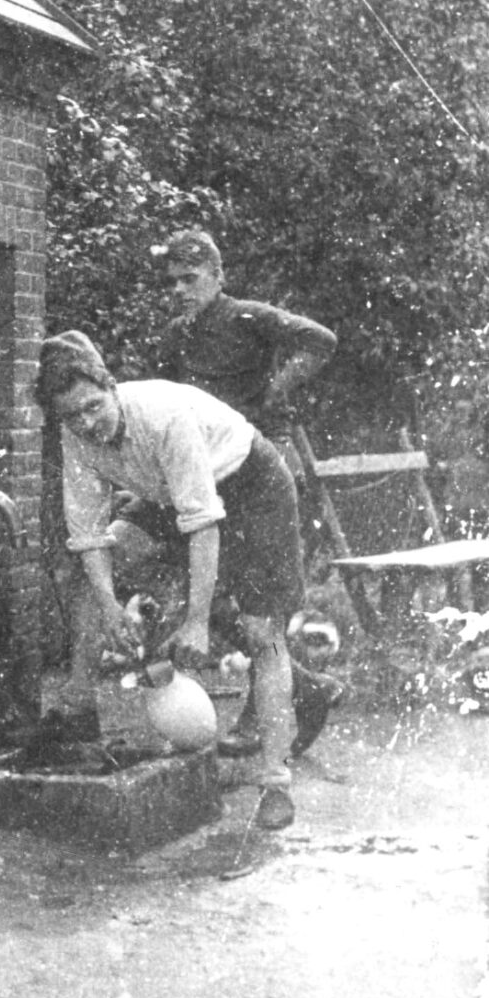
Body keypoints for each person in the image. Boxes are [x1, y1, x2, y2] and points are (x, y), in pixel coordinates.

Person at [36, 330, 305, 831]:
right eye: (72, 416)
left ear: (111, 386)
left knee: (262, 635)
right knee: (98, 566)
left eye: (94, 406)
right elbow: (89, 535)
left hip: (251, 485)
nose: (87, 423)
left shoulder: (163, 416)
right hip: (169, 495)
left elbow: (202, 522)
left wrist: (198, 622)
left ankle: (275, 782)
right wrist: (111, 607)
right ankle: (76, 708)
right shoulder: (76, 435)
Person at [155, 228, 343, 758]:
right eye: (173, 283)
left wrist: (274, 391)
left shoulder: (248, 316)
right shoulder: (175, 338)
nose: (181, 290)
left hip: (266, 465)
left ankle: (263, 713)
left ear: (218, 277)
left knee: (261, 599)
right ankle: (308, 686)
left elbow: (320, 340)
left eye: (191, 279)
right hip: (211, 472)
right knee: (211, 593)